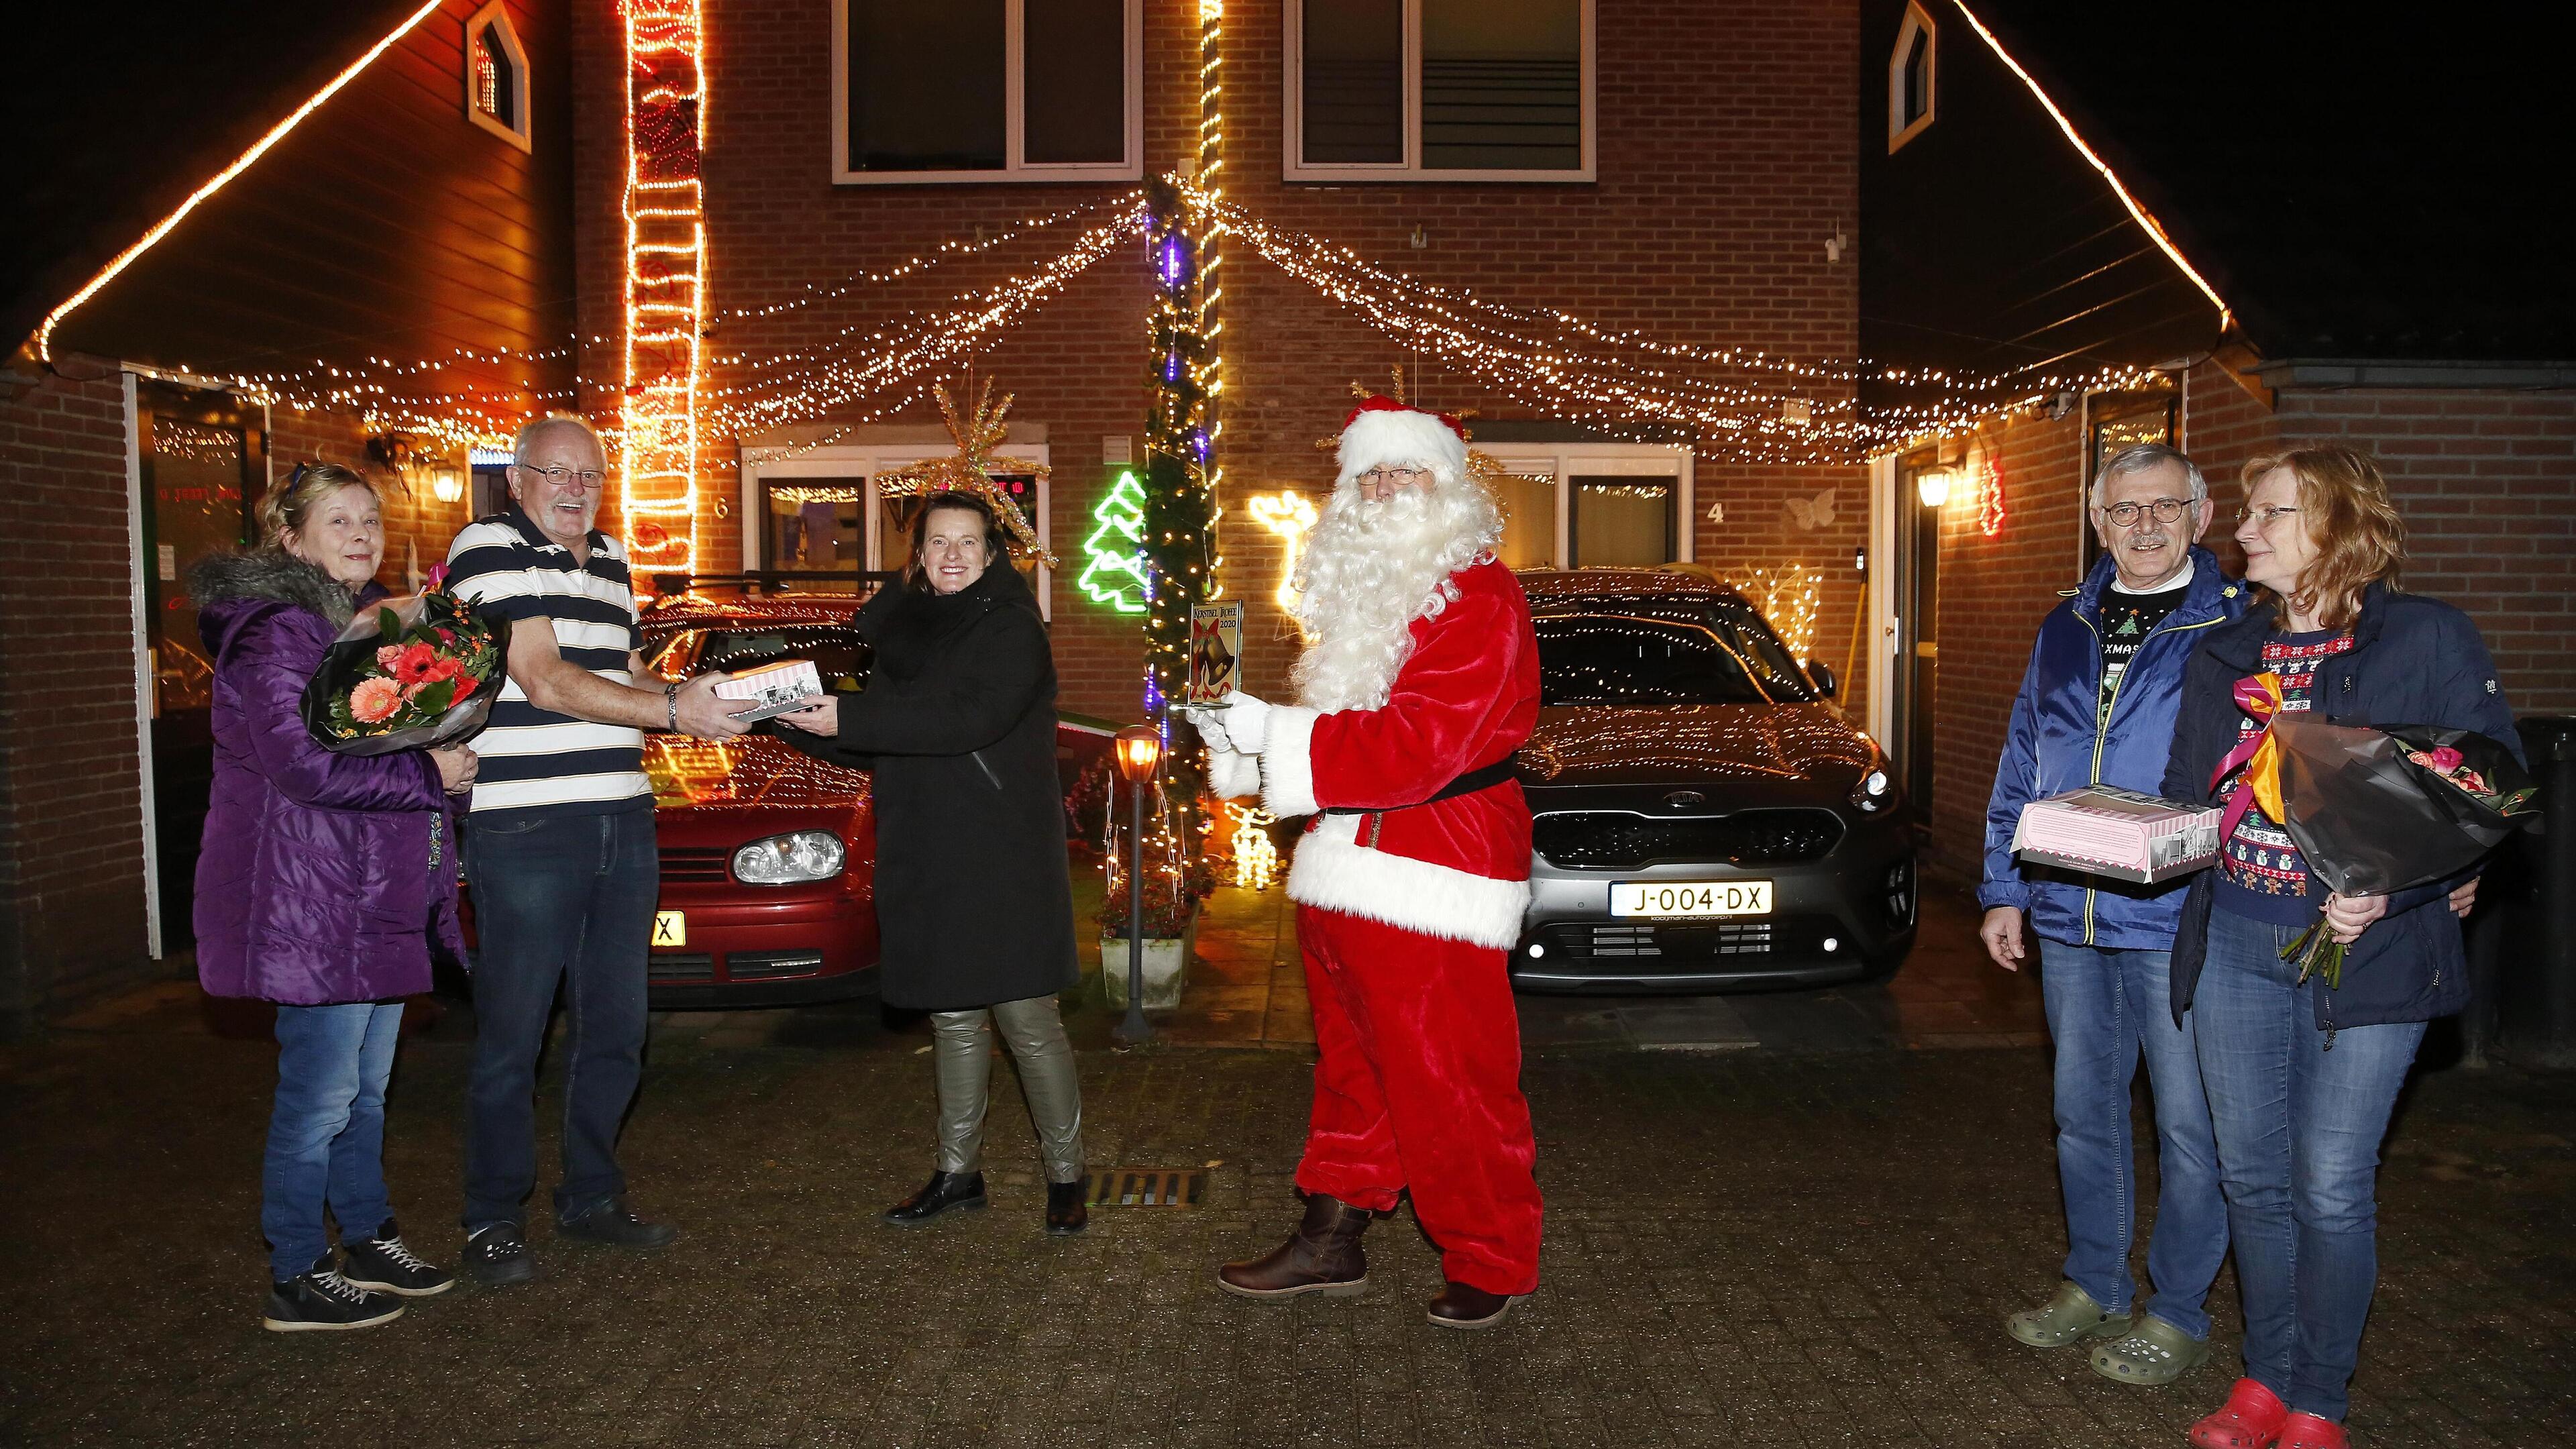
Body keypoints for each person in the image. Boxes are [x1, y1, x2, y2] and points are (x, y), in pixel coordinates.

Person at [2161, 445, 2512, 1449]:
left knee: (2327, 1180)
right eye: (2249, 513)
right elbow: (2192, 797)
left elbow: (2490, 785)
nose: (2245, 531)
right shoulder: (2227, 650)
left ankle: (2321, 1399)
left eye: (2270, 513)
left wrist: (2404, 889)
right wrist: (2106, 835)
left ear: (2341, 524)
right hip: (2235, 940)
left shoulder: (2430, 638)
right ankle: (2264, 1380)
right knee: (2252, 1178)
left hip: (2376, 956)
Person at [1192, 397, 1543, 1330]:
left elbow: (1423, 743)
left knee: (1451, 1074)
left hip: (1438, 868)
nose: (1387, 490)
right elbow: (1342, 735)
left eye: (1406, 473)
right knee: (1353, 1066)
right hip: (1347, 859)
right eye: (1371, 475)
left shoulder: (1480, 597)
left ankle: (1491, 1255)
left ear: (1449, 489)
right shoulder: (1369, 599)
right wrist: (1247, 744)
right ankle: (1331, 1235)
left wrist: (1280, 737)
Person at [444, 416, 752, 1286]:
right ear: (518, 480)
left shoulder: (612, 558)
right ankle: (491, 1217)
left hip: (624, 816)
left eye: (590, 476)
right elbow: (540, 676)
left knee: (617, 1026)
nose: (576, 491)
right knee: (516, 1029)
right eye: (557, 474)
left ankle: (591, 1195)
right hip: (531, 826)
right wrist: (669, 715)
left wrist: (696, 692)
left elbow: (618, 670)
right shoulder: (487, 547)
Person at [1978, 443, 2245, 1382]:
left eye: (2164, 507)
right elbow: (2023, 755)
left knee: (2188, 1126)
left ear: (2200, 517)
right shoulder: (2064, 624)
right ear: (2099, 523)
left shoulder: (2238, 628)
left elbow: (2261, 777)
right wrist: (2004, 890)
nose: (2144, 525)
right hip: (2067, 914)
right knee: (2081, 1113)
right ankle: (2094, 1282)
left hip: (2180, 922)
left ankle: (2178, 1311)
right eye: (2124, 511)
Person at [192, 463, 478, 1330]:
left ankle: (366, 1234)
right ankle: (295, 1269)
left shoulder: (367, 629)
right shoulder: (275, 634)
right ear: (289, 537)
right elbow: (304, 764)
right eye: (338, 520)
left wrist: (448, 749)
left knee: (365, 1093)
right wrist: (428, 770)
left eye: (369, 520)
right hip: (309, 898)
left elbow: (388, 740)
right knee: (318, 1097)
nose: (361, 534)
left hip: (371, 894)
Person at [775, 490, 1088, 1234]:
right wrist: (789, 720)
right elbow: (887, 736)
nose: (951, 555)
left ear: (991, 555)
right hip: (931, 847)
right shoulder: (906, 631)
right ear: (918, 558)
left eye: (967, 543)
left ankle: (1068, 1175)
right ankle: (958, 1173)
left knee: (1025, 1015)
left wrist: (849, 714)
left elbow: (962, 720)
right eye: (937, 543)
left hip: (1003, 854)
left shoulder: (1013, 630)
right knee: (952, 1015)